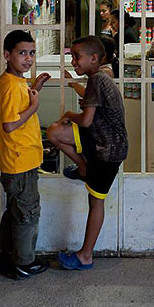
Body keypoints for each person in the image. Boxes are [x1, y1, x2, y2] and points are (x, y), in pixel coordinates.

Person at [46, 35, 128, 270]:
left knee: (96, 202)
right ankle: (83, 168)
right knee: (54, 132)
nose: (73, 61)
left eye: (76, 57)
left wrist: (69, 115)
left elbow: (85, 120)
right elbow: (90, 109)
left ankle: (85, 256)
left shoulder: (98, 80)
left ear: (94, 58)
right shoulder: (98, 78)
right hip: (100, 140)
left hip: (108, 150)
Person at [0, 29, 51, 279]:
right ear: (7, 55)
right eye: (22, 53)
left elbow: (15, 108)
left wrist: (33, 89)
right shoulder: (12, 86)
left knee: (15, 210)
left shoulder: (13, 81)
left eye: (32, 53)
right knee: (27, 212)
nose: (28, 58)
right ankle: (24, 262)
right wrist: (34, 106)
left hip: (15, 159)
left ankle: (1, 256)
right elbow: (10, 124)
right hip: (20, 160)